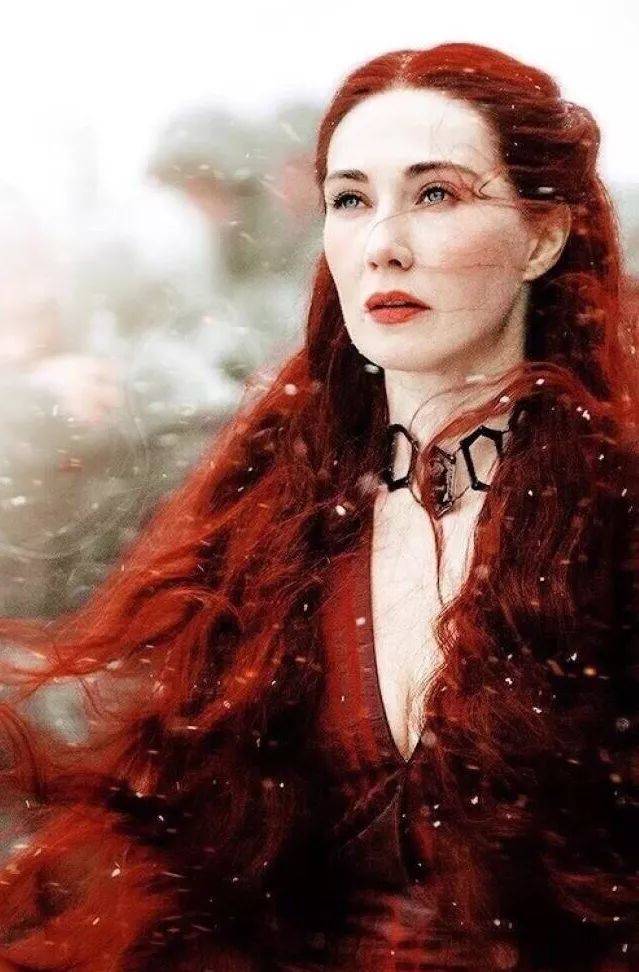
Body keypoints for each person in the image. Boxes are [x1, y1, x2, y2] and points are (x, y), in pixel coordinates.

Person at [0, 41, 637, 972]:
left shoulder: (613, 519)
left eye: (435, 194)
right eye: (350, 199)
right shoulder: (271, 518)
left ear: (541, 237)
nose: (382, 243)